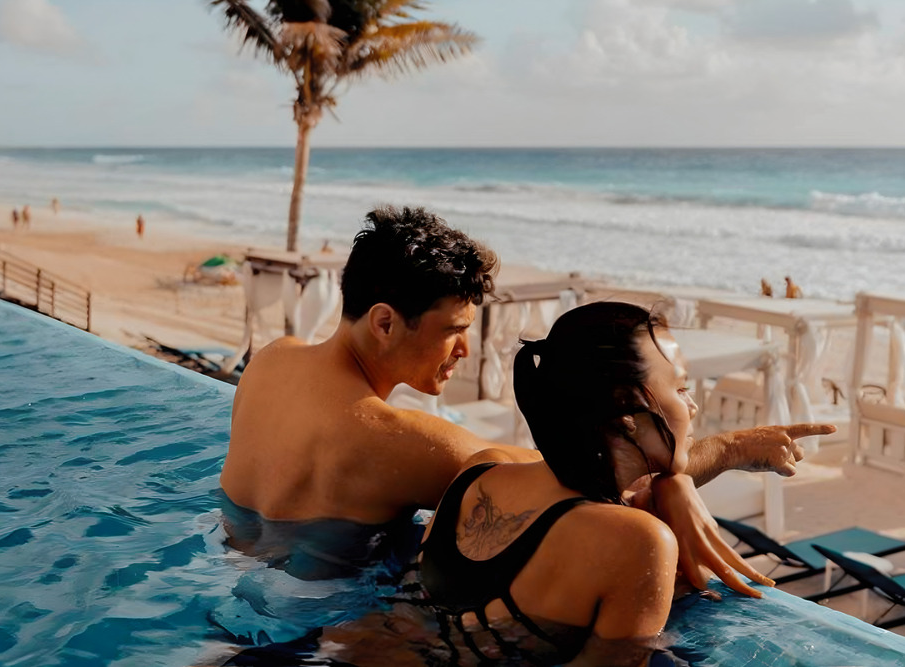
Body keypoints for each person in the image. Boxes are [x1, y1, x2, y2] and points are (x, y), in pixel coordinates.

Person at [221, 206, 832, 579]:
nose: (464, 350)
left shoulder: (272, 361)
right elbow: (586, 477)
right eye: (454, 331)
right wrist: (726, 451)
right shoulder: (399, 444)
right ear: (384, 322)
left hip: (236, 587)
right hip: (323, 639)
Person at [418, 303, 775, 665]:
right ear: (626, 413)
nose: (693, 407)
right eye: (682, 389)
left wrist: (675, 482)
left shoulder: (479, 472)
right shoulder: (638, 540)